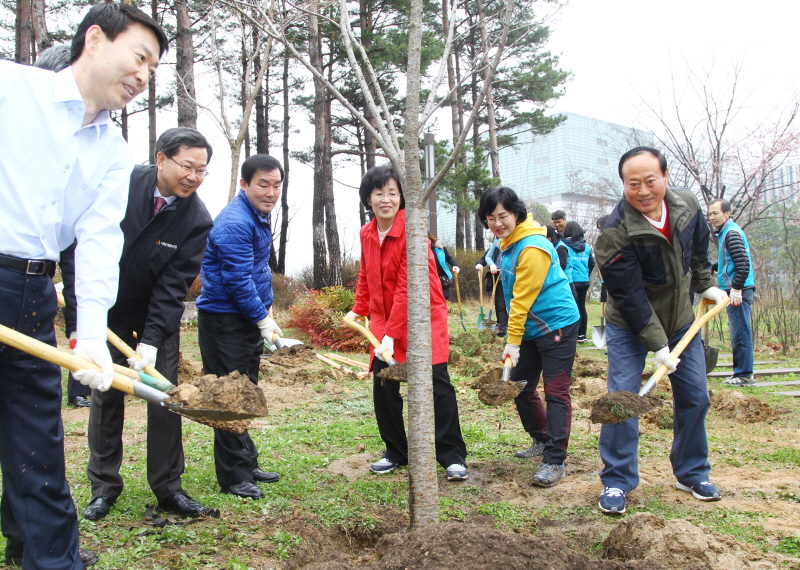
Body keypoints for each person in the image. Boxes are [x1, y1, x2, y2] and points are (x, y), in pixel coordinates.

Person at [0, 3, 167, 568]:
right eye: (139, 57)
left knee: (36, 442)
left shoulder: (114, 153)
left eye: (153, 68)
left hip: (30, 292)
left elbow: (98, 242)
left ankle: (49, 559)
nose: (144, 75)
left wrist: (90, 330)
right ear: (95, 39)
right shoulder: (12, 89)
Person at [62, 128, 213, 521]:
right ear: (161, 158)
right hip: (105, 309)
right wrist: (81, 321)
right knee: (106, 394)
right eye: (188, 166)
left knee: (164, 397)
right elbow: (79, 249)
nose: (194, 177)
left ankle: (168, 488)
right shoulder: (120, 184)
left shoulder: (196, 220)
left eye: (202, 171)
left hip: (153, 316)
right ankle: (104, 487)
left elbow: (173, 287)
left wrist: (149, 340)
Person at [594, 147, 728, 515]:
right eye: (632, 183)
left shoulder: (686, 205)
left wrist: (704, 284)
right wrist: (657, 345)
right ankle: (617, 480)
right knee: (623, 397)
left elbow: (699, 249)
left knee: (695, 395)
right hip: (629, 324)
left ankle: (692, 472)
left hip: (682, 317)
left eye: (650, 180)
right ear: (623, 185)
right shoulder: (614, 233)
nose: (642, 190)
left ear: (665, 177)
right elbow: (630, 297)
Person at [348, 165, 468, 481]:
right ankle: (395, 451)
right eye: (379, 193)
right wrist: (358, 309)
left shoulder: (413, 231)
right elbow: (366, 274)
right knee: (384, 384)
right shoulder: (367, 232)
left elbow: (408, 287)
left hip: (423, 319)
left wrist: (391, 333)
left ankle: (451, 455)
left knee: (436, 384)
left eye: (392, 192)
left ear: (401, 197)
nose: (386, 199)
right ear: (368, 198)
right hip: (384, 320)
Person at [478, 188, 579, 487]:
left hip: (556, 324)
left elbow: (522, 300)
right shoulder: (506, 244)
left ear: (517, 214)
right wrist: (516, 338)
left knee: (557, 391)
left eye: (503, 216)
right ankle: (542, 439)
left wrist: (512, 340)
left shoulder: (532, 246)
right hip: (532, 327)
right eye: (490, 218)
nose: (497, 223)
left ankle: (555, 460)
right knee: (519, 385)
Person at [196, 154, 284, 500]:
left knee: (246, 391)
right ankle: (234, 476)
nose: (271, 192)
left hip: (245, 317)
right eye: (263, 184)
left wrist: (262, 315)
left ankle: (246, 462)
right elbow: (237, 279)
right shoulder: (236, 222)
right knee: (228, 398)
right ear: (245, 184)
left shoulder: (258, 215)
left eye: (276, 185)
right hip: (224, 321)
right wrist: (263, 319)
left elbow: (257, 272)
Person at [33, 45, 94, 409]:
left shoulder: (91, 145)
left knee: (76, 303)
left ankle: (79, 386)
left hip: (62, 247)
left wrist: (84, 330)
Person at [707, 199, 755, 386]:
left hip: (739, 291)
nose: (712, 217)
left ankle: (744, 375)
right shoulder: (726, 232)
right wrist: (714, 267)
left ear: (727, 214)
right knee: (738, 332)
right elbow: (730, 260)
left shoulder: (731, 233)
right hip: (735, 289)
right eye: (710, 214)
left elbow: (743, 263)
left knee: (740, 333)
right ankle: (741, 373)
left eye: (716, 213)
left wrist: (736, 288)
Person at [562, 221, 595, 342]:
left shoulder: (564, 245)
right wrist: (585, 274)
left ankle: (573, 334)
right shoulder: (586, 246)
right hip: (584, 280)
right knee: (582, 307)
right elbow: (592, 263)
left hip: (571, 281)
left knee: (572, 307)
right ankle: (582, 334)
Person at [475, 238, 508, 336]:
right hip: (497, 276)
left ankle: (507, 326)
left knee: (508, 303)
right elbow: (486, 257)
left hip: (511, 278)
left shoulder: (514, 244)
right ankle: (501, 325)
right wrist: (480, 264)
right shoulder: (496, 245)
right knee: (499, 303)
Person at [429, 234, 460, 300]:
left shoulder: (440, 247)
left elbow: (448, 257)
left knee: (444, 297)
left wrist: (455, 265)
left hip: (443, 277)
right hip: (431, 278)